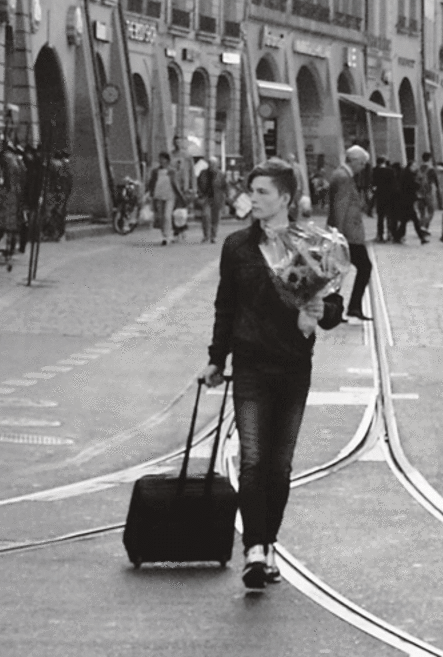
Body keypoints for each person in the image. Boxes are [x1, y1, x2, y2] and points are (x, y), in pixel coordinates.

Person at [198, 158, 341, 592]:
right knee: (255, 459)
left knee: (280, 465)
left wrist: (320, 313)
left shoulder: (311, 246)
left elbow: (334, 307)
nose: (253, 199)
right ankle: (254, 550)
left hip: (294, 364)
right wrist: (215, 359)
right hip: (251, 364)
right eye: (252, 191)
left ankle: (269, 543)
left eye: (262, 192)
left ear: (284, 198)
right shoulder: (238, 246)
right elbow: (226, 305)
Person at [327, 145, 372, 322]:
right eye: (361, 164)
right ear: (353, 161)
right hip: (348, 235)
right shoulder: (344, 177)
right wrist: (338, 235)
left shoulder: (341, 175)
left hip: (345, 233)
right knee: (364, 268)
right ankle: (350, 307)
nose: (362, 168)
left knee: (338, 271)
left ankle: (337, 309)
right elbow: (340, 208)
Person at [145, 152, 185, 245]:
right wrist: (148, 193)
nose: (161, 161)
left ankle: (167, 236)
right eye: (160, 159)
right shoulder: (155, 171)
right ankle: (164, 235)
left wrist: (181, 195)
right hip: (158, 196)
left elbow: (176, 184)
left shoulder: (172, 171)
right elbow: (151, 183)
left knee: (167, 216)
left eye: (162, 159)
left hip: (170, 196)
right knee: (161, 216)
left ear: (167, 160)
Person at [196, 157, 226, 244]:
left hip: (217, 198)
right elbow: (198, 184)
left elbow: (224, 186)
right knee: (206, 216)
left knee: (215, 218)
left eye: (213, 163)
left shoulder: (221, 174)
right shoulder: (203, 173)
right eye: (210, 163)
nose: (211, 165)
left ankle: (214, 236)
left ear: (217, 164)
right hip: (206, 198)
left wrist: (225, 198)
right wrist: (199, 193)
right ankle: (206, 236)